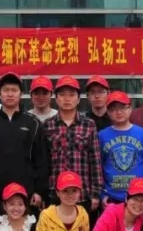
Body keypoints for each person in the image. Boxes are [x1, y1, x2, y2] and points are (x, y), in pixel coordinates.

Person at [0, 72, 49, 223]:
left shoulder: (33, 123)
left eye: (14, 90)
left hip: (25, 193)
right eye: (6, 90)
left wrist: (39, 191)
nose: (10, 94)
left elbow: (41, 160)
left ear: (21, 94)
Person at [43, 76, 103, 212]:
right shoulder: (48, 125)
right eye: (62, 95)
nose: (67, 99)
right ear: (56, 98)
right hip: (55, 194)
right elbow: (44, 162)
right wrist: (43, 191)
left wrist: (95, 193)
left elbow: (95, 160)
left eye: (71, 95)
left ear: (78, 99)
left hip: (83, 193)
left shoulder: (89, 124)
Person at [99, 91, 143, 205]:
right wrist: (102, 195)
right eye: (114, 109)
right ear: (108, 112)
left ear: (130, 109)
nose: (119, 112)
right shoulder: (101, 135)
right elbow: (98, 167)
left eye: (122, 108)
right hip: (111, 198)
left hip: (139, 196)